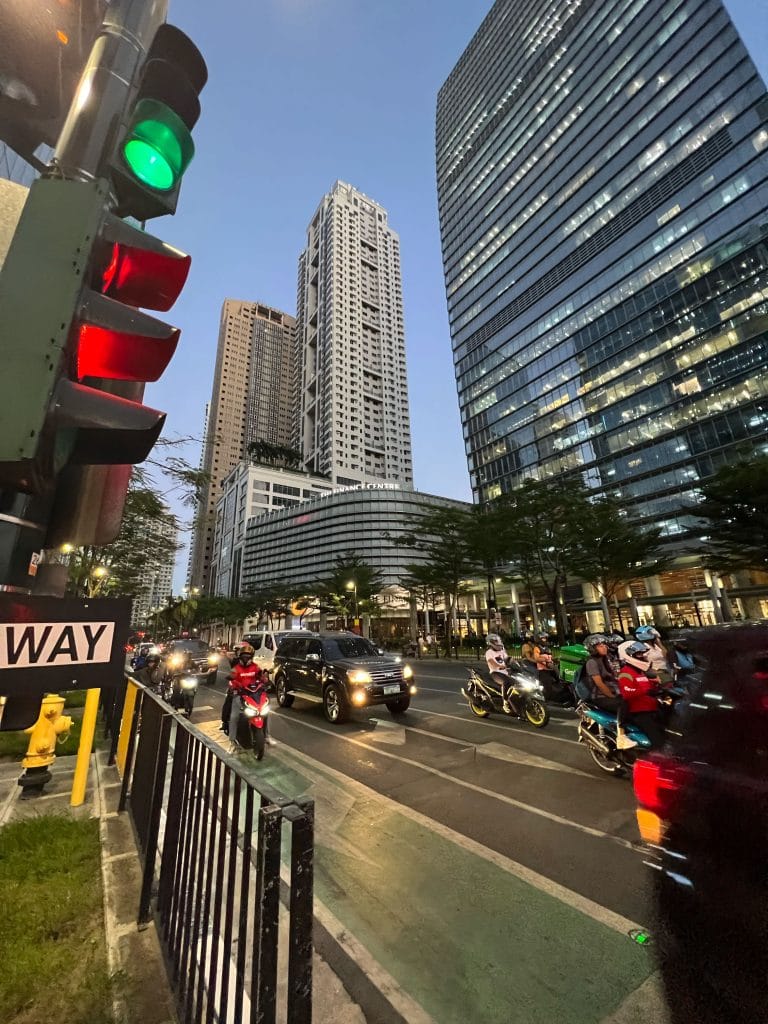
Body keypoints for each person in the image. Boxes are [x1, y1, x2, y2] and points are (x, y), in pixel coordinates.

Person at [584, 634, 636, 749]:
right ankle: (621, 737)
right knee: (623, 703)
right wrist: (612, 696)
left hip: (615, 691)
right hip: (601, 696)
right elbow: (600, 684)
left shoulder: (607, 659)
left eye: (604, 645)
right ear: (593, 649)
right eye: (600, 646)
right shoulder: (592, 662)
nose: (604, 647)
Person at [221, 646, 276, 746]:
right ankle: (232, 740)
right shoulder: (236, 669)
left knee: (265, 713)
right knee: (234, 716)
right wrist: (234, 685)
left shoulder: (256, 667)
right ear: (240, 657)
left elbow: (262, 678)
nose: (246, 659)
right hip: (240, 694)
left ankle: (267, 736)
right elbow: (232, 679)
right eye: (244, 656)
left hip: (254, 695)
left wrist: (265, 679)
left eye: (248, 657)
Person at [617, 640, 666, 748]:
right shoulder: (625, 673)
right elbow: (627, 692)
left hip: (652, 708)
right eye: (639, 654)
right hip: (640, 713)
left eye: (642, 653)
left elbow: (646, 685)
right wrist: (645, 691)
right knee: (658, 741)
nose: (643, 656)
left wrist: (657, 685)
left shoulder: (640, 672)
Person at [485, 633, 512, 714]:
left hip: (505, 672)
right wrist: (499, 666)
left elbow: (507, 659)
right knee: (506, 682)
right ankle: (505, 703)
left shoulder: (502, 650)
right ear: (491, 643)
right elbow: (491, 662)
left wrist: (514, 662)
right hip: (495, 673)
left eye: (498, 641)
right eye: (496, 641)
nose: (498, 643)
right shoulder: (489, 652)